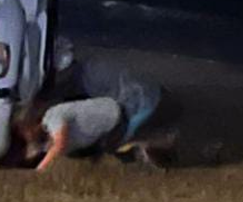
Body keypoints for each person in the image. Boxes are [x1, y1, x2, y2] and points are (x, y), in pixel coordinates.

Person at [14, 38, 179, 171]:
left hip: (144, 105)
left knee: (117, 146)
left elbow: (130, 96)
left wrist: (124, 134)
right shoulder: (81, 77)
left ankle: (152, 148)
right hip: (142, 100)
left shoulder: (92, 74)